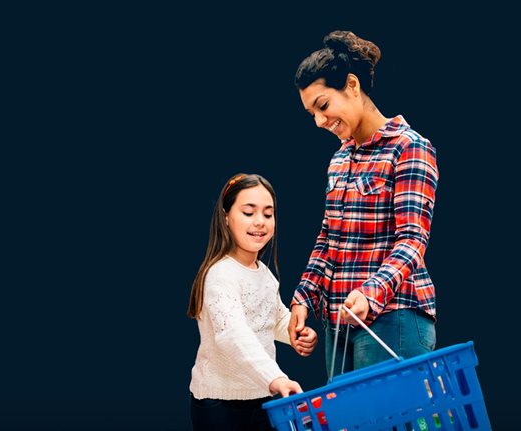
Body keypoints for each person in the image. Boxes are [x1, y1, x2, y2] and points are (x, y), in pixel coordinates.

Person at [288, 30, 439, 375]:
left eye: (323, 106)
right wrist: (303, 297)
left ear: (352, 86)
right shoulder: (339, 160)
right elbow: (329, 238)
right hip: (341, 322)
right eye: (311, 112)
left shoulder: (408, 147)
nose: (319, 121)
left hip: (393, 317)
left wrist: (372, 293)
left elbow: (413, 239)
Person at [187, 173, 318, 431]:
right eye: (249, 212)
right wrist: (276, 377)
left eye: (268, 214)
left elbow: (274, 318)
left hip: (262, 396)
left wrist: (296, 331)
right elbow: (233, 335)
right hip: (220, 404)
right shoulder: (220, 274)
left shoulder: (264, 274)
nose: (260, 222)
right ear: (226, 218)